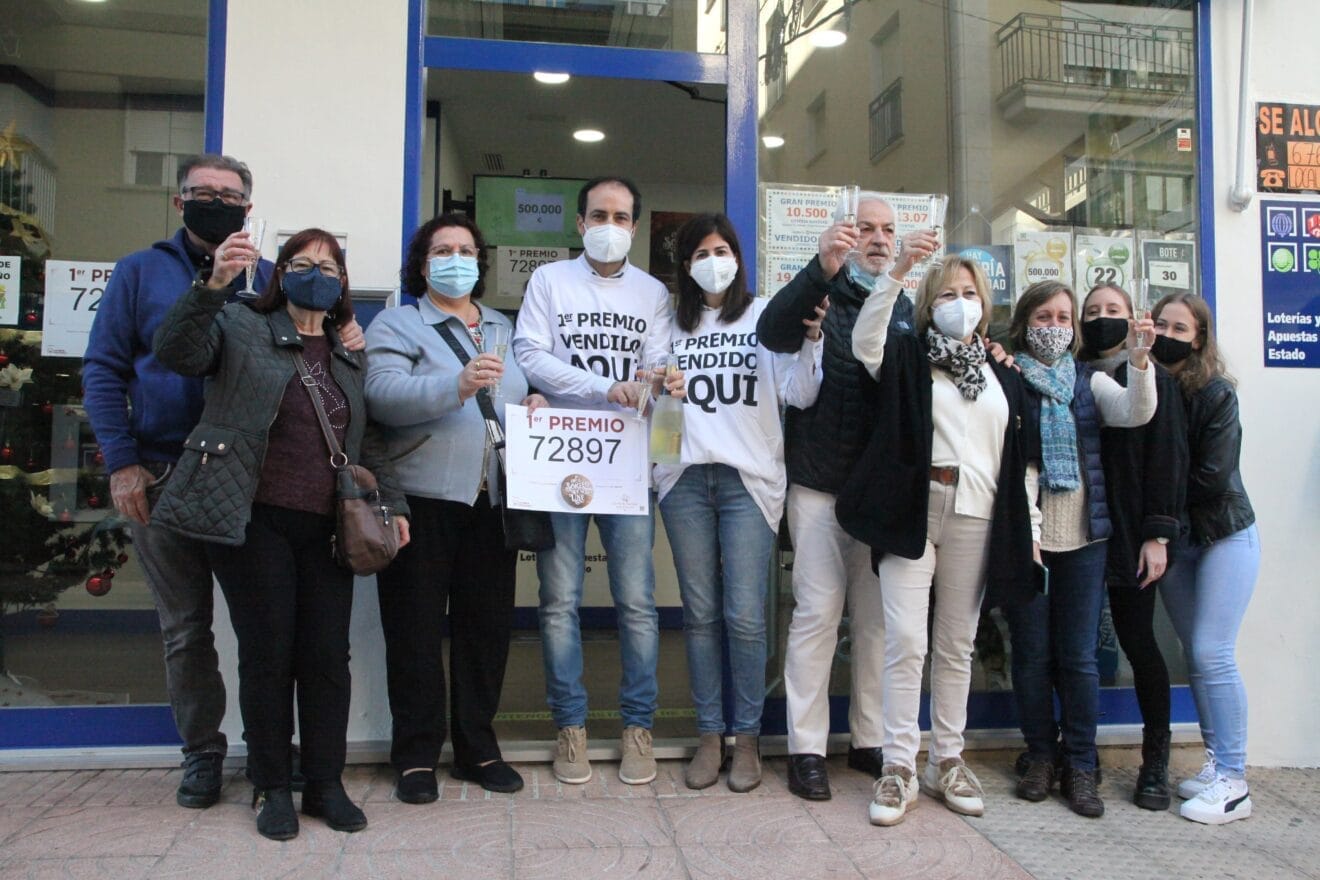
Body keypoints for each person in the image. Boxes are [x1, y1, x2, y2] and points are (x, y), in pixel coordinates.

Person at [84, 154, 362, 809]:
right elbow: (107, 368)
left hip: (251, 482)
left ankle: (281, 757)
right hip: (162, 469)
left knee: (273, 636)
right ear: (180, 203)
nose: (218, 202)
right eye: (203, 193)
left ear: (249, 207)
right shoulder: (140, 271)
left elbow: (310, 365)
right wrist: (122, 461)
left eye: (231, 195)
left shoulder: (275, 280)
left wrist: (347, 332)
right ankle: (203, 753)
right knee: (187, 628)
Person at [150, 228, 407, 841]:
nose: (314, 273)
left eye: (327, 266)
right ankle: (271, 784)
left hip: (328, 528)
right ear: (279, 273)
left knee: (326, 659)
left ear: (342, 282)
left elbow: (367, 440)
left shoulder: (349, 350)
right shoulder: (241, 326)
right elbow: (176, 351)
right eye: (300, 263)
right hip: (252, 517)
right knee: (268, 657)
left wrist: (393, 502)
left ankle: (324, 782)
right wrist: (212, 284)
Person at [840, 254, 1039, 826]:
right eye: (947, 293)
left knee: (957, 645)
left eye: (969, 292)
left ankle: (946, 758)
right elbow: (865, 342)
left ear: (984, 302)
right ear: (930, 303)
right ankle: (899, 764)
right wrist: (896, 273)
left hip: (979, 515)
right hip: (914, 510)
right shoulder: (908, 355)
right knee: (907, 641)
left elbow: (1020, 462)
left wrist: (1030, 529)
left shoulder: (1002, 372)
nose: (960, 302)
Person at [364, 214, 547, 802]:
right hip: (419, 500)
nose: (455, 259)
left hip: (490, 502)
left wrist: (534, 399)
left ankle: (477, 748)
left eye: (466, 250)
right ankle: (416, 755)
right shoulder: (399, 322)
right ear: (423, 263)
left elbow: (512, 392)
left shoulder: (499, 324)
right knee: (414, 632)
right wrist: (458, 386)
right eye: (442, 250)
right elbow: (381, 397)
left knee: (485, 631)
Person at [756, 192, 930, 800]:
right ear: (846, 236)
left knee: (877, 626)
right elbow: (772, 330)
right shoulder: (820, 294)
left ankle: (868, 741)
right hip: (821, 485)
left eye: (888, 230)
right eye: (866, 228)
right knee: (817, 616)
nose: (880, 239)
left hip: (879, 493)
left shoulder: (905, 306)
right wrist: (819, 269)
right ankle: (806, 748)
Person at [511, 176, 682, 786]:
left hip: (627, 463)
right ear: (580, 223)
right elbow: (529, 353)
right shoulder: (549, 282)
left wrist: (652, 381)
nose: (611, 225)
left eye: (623, 216)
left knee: (637, 601)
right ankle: (570, 727)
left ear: (635, 227)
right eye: (600, 214)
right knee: (559, 600)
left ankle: (639, 727)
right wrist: (600, 387)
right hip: (561, 458)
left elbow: (658, 364)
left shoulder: (653, 292)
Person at [654, 213, 824, 793]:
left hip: (747, 483)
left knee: (746, 618)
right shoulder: (667, 321)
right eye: (700, 253)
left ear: (738, 257)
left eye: (721, 249)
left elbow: (799, 392)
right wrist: (657, 385)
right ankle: (709, 735)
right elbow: (648, 393)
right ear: (685, 266)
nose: (712, 261)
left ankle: (746, 738)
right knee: (698, 616)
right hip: (684, 481)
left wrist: (813, 343)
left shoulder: (762, 315)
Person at [1003, 280, 1156, 818]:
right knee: (1031, 655)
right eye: (1044, 316)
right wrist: (1032, 533)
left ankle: (1082, 765)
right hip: (1033, 538)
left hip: (1087, 537)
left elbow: (1134, 412)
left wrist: (1139, 363)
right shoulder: (1011, 377)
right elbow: (1016, 464)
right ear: (1025, 323)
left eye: (1064, 317)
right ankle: (1042, 756)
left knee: (1079, 659)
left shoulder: (1090, 380)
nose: (1055, 326)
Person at [1079, 283, 1188, 811]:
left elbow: (1166, 461)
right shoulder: (1072, 374)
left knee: (1138, 643)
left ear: (1131, 318)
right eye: (1093, 311)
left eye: (1113, 311)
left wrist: (1157, 534)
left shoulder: (1148, 378)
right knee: (1073, 649)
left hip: (1128, 534)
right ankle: (1079, 754)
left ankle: (1155, 760)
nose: (1103, 319)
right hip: (1075, 533)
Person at [1151, 293, 1259, 826]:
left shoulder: (1215, 393)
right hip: (1178, 540)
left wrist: (1158, 516)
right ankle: (1218, 764)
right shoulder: (1149, 382)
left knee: (1214, 651)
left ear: (1198, 337)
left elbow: (1212, 475)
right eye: (1162, 322)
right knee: (1195, 653)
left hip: (1222, 536)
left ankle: (1234, 780)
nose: (1170, 332)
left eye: (1181, 326)